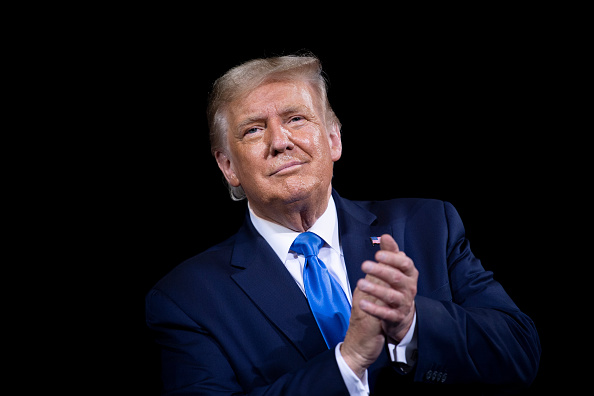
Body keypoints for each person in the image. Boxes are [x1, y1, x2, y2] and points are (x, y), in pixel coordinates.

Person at [145, 53, 541, 395]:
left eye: (296, 118)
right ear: (228, 166)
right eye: (254, 129)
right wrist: (348, 361)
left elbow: (520, 354)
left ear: (333, 139)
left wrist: (412, 324)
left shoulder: (428, 226)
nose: (280, 141)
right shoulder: (187, 299)